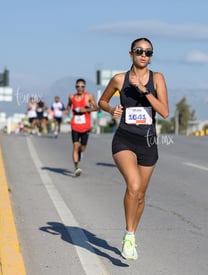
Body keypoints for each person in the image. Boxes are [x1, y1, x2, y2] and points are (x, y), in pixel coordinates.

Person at [98, 37, 169, 260]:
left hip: (148, 142)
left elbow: (165, 112)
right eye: (139, 51)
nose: (143, 55)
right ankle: (129, 236)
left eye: (148, 52)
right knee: (134, 185)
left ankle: (132, 235)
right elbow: (102, 101)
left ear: (151, 57)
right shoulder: (120, 79)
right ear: (131, 54)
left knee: (140, 195)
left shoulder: (157, 79)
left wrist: (145, 91)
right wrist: (111, 110)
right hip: (125, 139)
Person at [65, 78, 98, 176]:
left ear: (85, 87)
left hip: (85, 126)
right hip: (75, 125)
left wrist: (86, 110)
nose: (80, 88)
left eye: (82, 86)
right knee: (75, 145)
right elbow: (68, 106)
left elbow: (96, 108)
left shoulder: (89, 96)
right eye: (78, 86)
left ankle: (80, 152)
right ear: (75, 87)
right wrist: (67, 111)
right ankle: (76, 167)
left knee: (82, 147)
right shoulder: (71, 97)